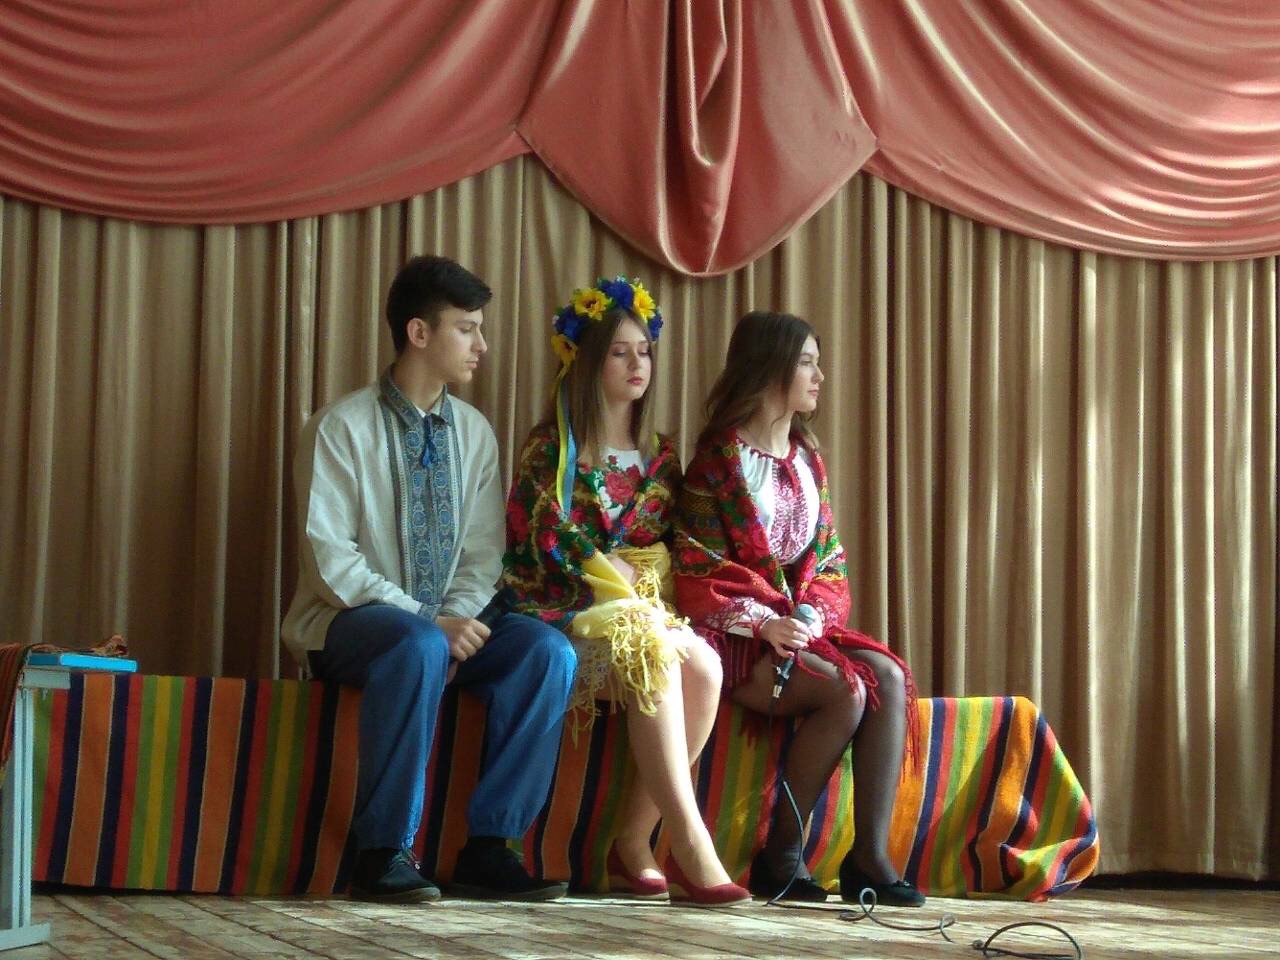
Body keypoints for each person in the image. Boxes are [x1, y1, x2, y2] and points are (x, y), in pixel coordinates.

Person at [282, 255, 577, 903]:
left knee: (547, 652)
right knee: (416, 644)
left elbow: (483, 554)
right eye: (467, 329)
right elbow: (331, 560)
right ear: (419, 333)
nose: (482, 345)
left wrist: (460, 625)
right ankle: (382, 851)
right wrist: (428, 622)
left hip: (448, 631)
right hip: (344, 627)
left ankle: (490, 847)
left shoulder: (474, 433)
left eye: (480, 329)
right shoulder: (339, 428)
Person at [503, 277, 749, 907]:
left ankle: (634, 838)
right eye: (619, 352)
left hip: (642, 611)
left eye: (643, 350)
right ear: (587, 362)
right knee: (654, 654)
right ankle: (690, 843)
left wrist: (649, 568)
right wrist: (603, 565)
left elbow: (682, 545)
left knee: (705, 666)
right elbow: (536, 535)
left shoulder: (662, 456)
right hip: (566, 611)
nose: (637, 363)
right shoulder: (551, 448)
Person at [672, 311, 925, 907]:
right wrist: (765, 623)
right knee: (847, 689)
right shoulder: (717, 462)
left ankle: (869, 857)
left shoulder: (807, 455)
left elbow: (829, 558)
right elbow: (696, 567)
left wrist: (810, 618)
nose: (819, 376)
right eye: (807, 363)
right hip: (735, 639)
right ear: (771, 369)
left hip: (799, 627)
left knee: (888, 677)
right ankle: (782, 853)